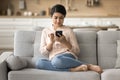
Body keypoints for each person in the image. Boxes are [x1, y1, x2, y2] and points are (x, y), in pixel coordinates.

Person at [36, 4, 103, 73]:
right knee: (39, 63)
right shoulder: (45, 31)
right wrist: (50, 43)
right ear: (51, 17)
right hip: (53, 59)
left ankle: (88, 66)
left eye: (61, 18)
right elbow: (42, 52)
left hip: (67, 56)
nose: (58, 21)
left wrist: (65, 42)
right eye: (55, 18)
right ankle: (74, 69)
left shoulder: (69, 30)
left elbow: (77, 51)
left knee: (57, 60)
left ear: (64, 18)